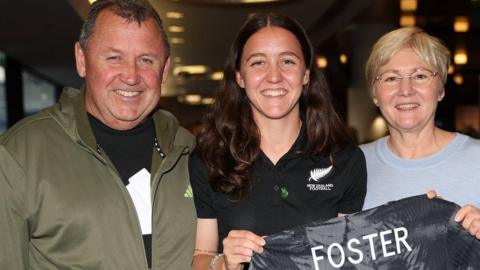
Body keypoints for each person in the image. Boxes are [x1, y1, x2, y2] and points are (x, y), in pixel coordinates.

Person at [0, 0, 196, 269]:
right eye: (114, 57)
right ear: (82, 60)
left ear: (164, 68)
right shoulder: (20, 154)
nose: (131, 76)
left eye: (146, 60)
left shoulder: (189, 152)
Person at [189, 13, 367, 270]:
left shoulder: (343, 159)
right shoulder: (209, 160)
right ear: (240, 77)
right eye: (258, 62)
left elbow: (353, 258)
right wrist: (223, 263)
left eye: (287, 61)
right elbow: (201, 257)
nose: (274, 76)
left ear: (306, 74)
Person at [361, 26, 480, 240]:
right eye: (390, 78)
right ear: (375, 94)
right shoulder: (349, 166)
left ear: (441, 89)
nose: (406, 90)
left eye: (420, 75)